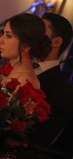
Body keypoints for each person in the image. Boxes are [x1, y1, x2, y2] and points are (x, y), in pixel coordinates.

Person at [31, 12, 73, 158]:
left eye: (40, 32)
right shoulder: (17, 67)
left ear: (56, 42)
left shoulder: (62, 91)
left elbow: (41, 141)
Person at [0, 13, 52, 89]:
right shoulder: (13, 70)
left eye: (8, 36)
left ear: (26, 46)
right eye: (3, 34)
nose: (0, 40)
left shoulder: (26, 81)